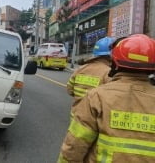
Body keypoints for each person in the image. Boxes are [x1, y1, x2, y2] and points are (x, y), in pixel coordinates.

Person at [58, 34, 155, 162]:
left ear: (115, 61)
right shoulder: (102, 83)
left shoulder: (96, 96)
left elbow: (74, 148)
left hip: (80, 120)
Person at [66, 36, 115, 114]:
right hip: (94, 121)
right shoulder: (109, 73)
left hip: (76, 116)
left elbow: (69, 90)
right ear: (112, 56)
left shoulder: (80, 69)